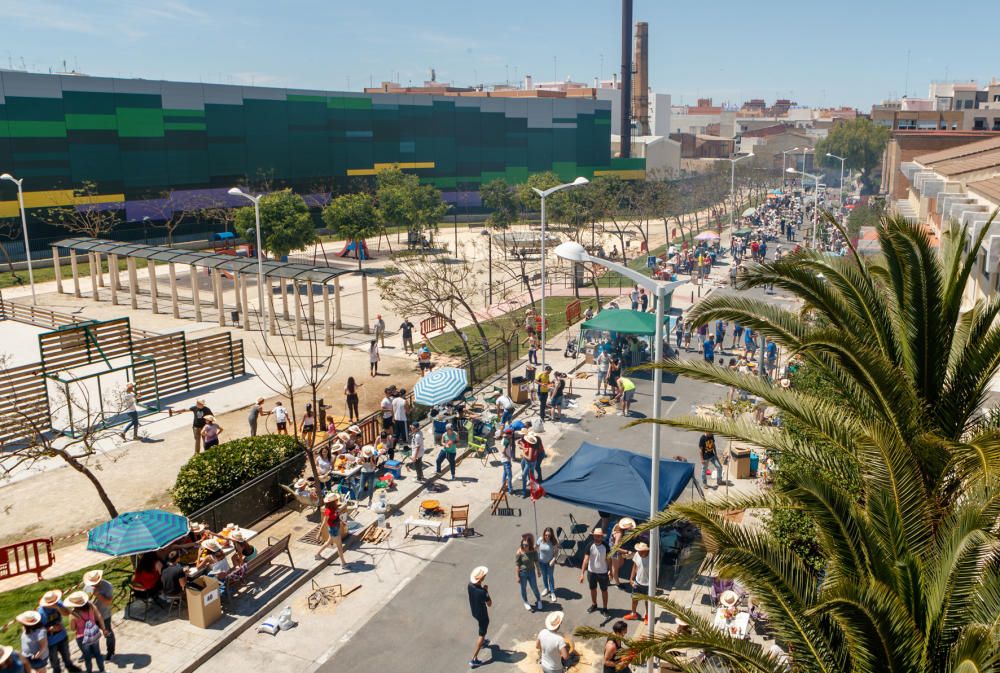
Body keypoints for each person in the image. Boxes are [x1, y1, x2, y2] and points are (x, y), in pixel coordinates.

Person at [36, 591, 79, 673]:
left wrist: (57, 607)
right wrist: (50, 629)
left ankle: (70, 667)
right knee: (54, 660)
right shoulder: (41, 612)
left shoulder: (58, 603)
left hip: (62, 636)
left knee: (66, 655)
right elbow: (38, 630)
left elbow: (66, 613)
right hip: (51, 641)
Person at [64, 592, 107, 673]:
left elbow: (73, 628)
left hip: (82, 637)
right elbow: (99, 616)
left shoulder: (73, 614)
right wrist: (104, 629)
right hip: (94, 634)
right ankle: (102, 670)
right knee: (98, 653)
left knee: (87, 657)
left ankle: (89, 671)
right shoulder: (91, 606)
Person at [80, 571, 114, 663]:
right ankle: (90, 653)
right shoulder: (87, 586)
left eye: (94, 583)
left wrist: (98, 595)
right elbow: (85, 600)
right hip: (91, 615)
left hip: (104, 614)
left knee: (108, 633)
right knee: (89, 635)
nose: (92, 585)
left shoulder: (108, 586)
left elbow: (108, 602)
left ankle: (111, 653)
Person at [579, 527, 610, 614]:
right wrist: (582, 573)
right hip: (592, 572)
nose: (597, 538)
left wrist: (610, 570)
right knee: (593, 589)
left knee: (604, 591)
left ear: (602, 536)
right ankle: (594, 604)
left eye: (599, 536)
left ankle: (605, 608)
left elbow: (608, 559)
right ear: (593, 536)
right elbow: (585, 560)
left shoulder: (606, 546)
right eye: (595, 536)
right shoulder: (590, 545)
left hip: (603, 573)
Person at [467, 566, 492, 669]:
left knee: (481, 627)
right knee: (482, 633)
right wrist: (486, 591)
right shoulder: (482, 592)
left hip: (475, 611)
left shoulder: (470, 586)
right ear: (481, 579)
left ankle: (483, 642)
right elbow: (489, 604)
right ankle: (474, 659)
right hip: (482, 615)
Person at [315, 492, 348, 566]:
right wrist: (319, 532)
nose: (337, 501)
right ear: (333, 502)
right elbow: (324, 522)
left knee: (328, 542)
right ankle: (343, 563)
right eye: (336, 500)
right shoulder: (328, 511)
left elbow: (337, 516)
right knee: (339, 547)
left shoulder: (335, 507)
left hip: (335, 528)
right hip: (333, 530)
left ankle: (317, 555)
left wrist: (342, 522)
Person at [515, 533, 543, 611]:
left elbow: (536, 561)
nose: (525, 546)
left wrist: (538, 570)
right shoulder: (519, 552)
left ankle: (539, 600)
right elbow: (517, 565)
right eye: (523, 545)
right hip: (522, 573)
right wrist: (517, 576)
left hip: (531, 572)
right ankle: (526, 602)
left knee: (534, 587)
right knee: (523, 588)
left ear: (529, 545)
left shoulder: (533, 551)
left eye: (526, 545)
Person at [625, 541, 652, 621]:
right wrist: (631, 578)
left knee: (647, 601)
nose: (639, 553)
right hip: (637, 582)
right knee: (634, 599)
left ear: (646, 551)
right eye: (638, 551)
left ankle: (647, 616)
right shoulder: (637, 554)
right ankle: (633, 614)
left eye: (641, 551)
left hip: (648, 584)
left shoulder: (652, 557)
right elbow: (634, 566)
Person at [537, 527, 560, 599]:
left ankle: (552, 592)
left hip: (550, 563)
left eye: (549, 535)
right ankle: (546, 588)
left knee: (550, 577)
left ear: (551, 535)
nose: (547, 537)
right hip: (541, 562)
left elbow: (556, 552)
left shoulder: (553, 542)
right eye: (546, 535)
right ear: (544, 534)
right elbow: (535, 547)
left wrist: (553, 560)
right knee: (544, 576)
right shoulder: (540, 539)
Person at [519, 432, 540, 496]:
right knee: (532, 476)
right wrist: (523, 448)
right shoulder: (535, 446)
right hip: (533, 462)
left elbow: (529, 458)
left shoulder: (531, 447)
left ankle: (524, 491)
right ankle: (534, 489)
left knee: (524, 476)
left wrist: (523, 454)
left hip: (529, 463)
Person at [498, 429, 515, 494]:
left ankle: (503, 487)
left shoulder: (504, 439)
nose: (512, 435)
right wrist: (508, 457)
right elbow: (503, 451)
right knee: (510, 476)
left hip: (503, 459)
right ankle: (510, 489)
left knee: (505, 474)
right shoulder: (506, 441)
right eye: (511, 434)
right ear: (509, 434)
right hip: (506, 460)